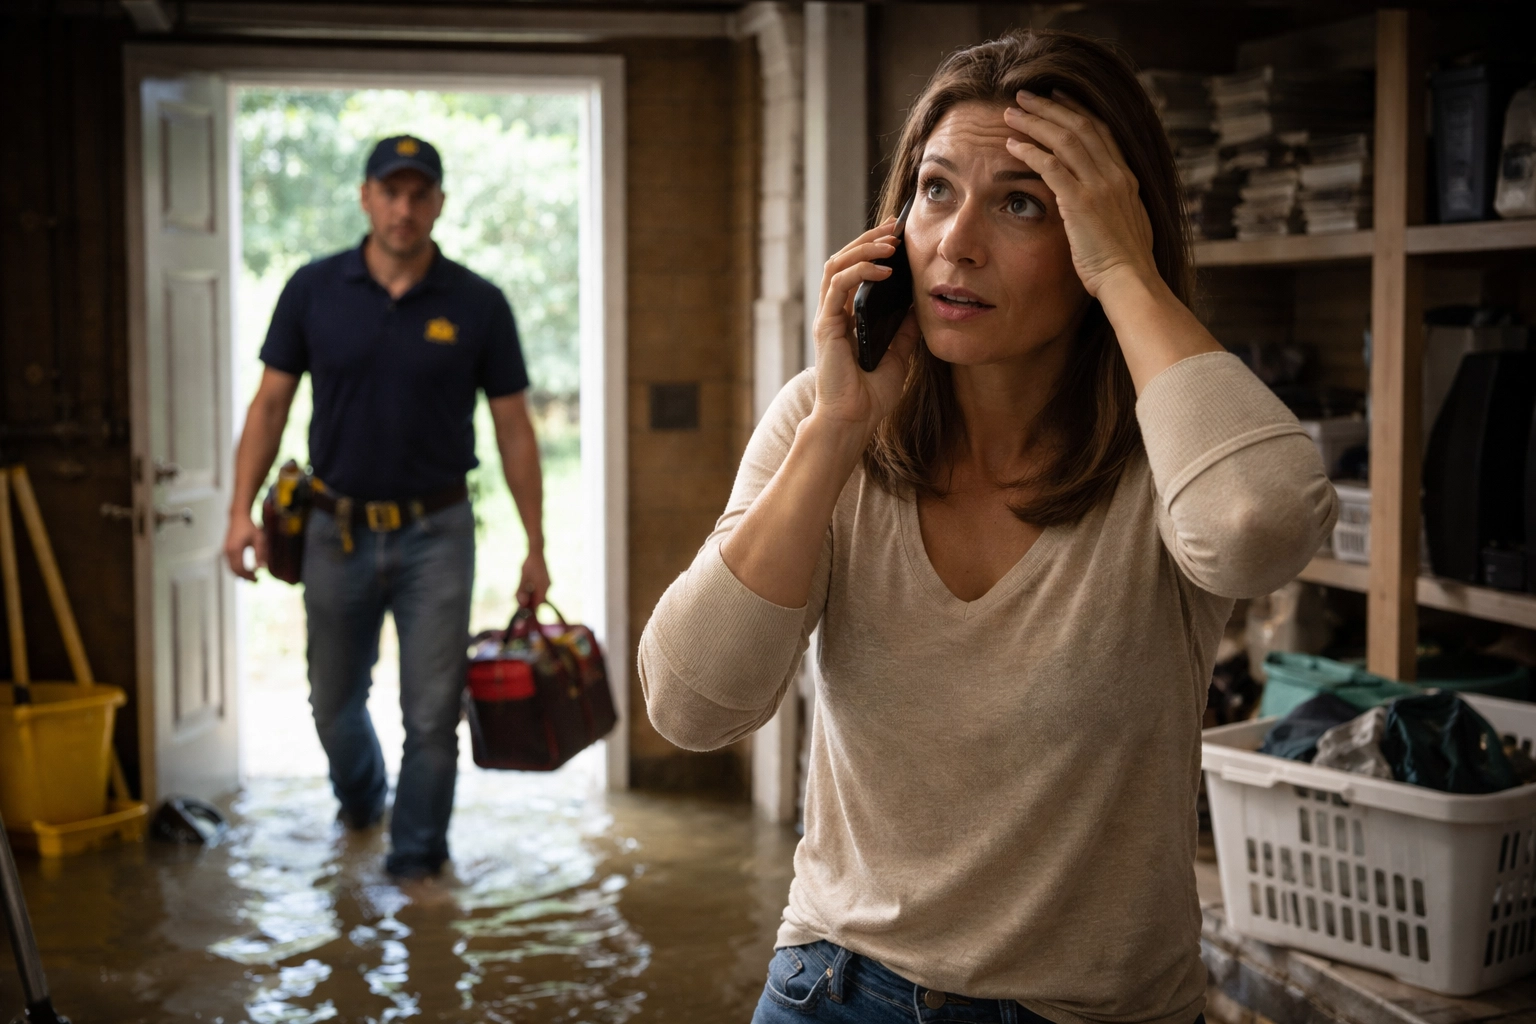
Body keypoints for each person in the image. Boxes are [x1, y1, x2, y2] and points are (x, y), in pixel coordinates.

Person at [639, 30, 1337, 1024]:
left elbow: (1262, 524)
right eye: (934, 190)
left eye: (1020, 202)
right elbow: (689, 703)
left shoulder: (1168, 450)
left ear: (1100, 232)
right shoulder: (824, 420)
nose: (955, 244)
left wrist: (1129, 274)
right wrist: (837, 432)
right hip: (834, 988)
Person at [223, 135, 549, 880]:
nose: (404, 208)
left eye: (419, 194)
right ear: (366, 198)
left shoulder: (479, 303)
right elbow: (270, 405)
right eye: (390, 192)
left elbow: (515, 429)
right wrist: (240, 510)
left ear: (437, 202)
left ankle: (417, 863)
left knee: (432, 716)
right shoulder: (312, 289)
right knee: (331, 702)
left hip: (439, 532)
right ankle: (363, 802)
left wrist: (536, 544)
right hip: (333, 530)